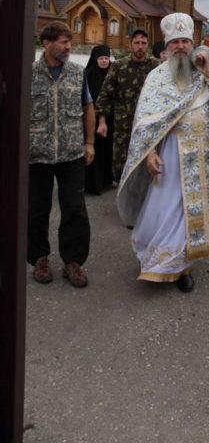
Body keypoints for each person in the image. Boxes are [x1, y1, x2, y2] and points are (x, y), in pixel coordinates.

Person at [117, 13, 209, 291]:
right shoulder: (156, 78)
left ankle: (182, 268)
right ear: (167, 46)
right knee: (167, 210)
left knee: (190, 215)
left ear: (192, 44)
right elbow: (145, 122)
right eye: (175, 42)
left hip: (203, 157)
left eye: (186, 41)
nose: (181, 46)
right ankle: (159, 261)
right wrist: (149, 153)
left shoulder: (205, 70)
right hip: (171, 154)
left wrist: (208, 73)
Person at [28, 22, 94, 287]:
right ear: (46, 43)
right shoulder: (28, 73)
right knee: (36, 211)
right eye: (64, 43)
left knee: (75, 210)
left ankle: (73, 261)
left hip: (71, 154)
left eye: (69, 42)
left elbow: (88, 107)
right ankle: (39, 259)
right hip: (37, 155)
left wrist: (89, 143)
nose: (69, 47)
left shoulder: (78, 73)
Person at [95, 29, 159, 185]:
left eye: (143, 43)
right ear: (130, 44)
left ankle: (143, 205)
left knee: (147, 169)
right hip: (123, 127)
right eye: (137, 43)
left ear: (147, 45)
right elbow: (105, 94)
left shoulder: (156, 66)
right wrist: (102, 121)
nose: (140, 47)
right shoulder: (118, 66)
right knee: (120, 168)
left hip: (148, 127)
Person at [84, 44, 113, 195]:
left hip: (111, 120)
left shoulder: (113, 72)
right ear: (95, 60)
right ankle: (93, 184)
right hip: (92, 121)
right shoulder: (88, 75)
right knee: (94, 151)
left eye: (106, 58)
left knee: (107, 151)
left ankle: (106, 180)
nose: (104, 61)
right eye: (101, 58)